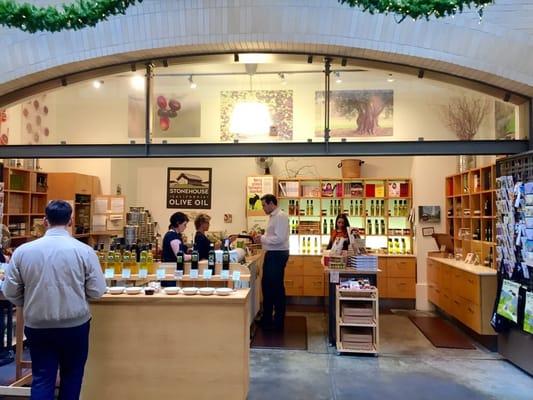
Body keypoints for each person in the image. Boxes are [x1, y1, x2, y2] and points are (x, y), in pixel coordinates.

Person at [2, 200, 106, 400]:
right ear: (71, 221)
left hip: (38, 324)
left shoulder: (23, 251)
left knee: (42, 377)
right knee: (72, 377)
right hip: (75, 324)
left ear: (45, 220)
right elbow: (97, 291)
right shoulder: (84, 251)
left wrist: (30, 299)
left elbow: (10, 291)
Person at [254, 194, 289, 330]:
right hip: (272, 254)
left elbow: (279, 238)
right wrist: (263, 238)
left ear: (271, 204)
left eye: (263, 205)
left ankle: (278, 321)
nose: (263, 208)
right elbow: (273, 236)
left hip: (277, 254)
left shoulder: (280, 216)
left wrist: (262, 239)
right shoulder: (273, 217)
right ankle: (267, 318)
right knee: (267, 286)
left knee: (276, 288)